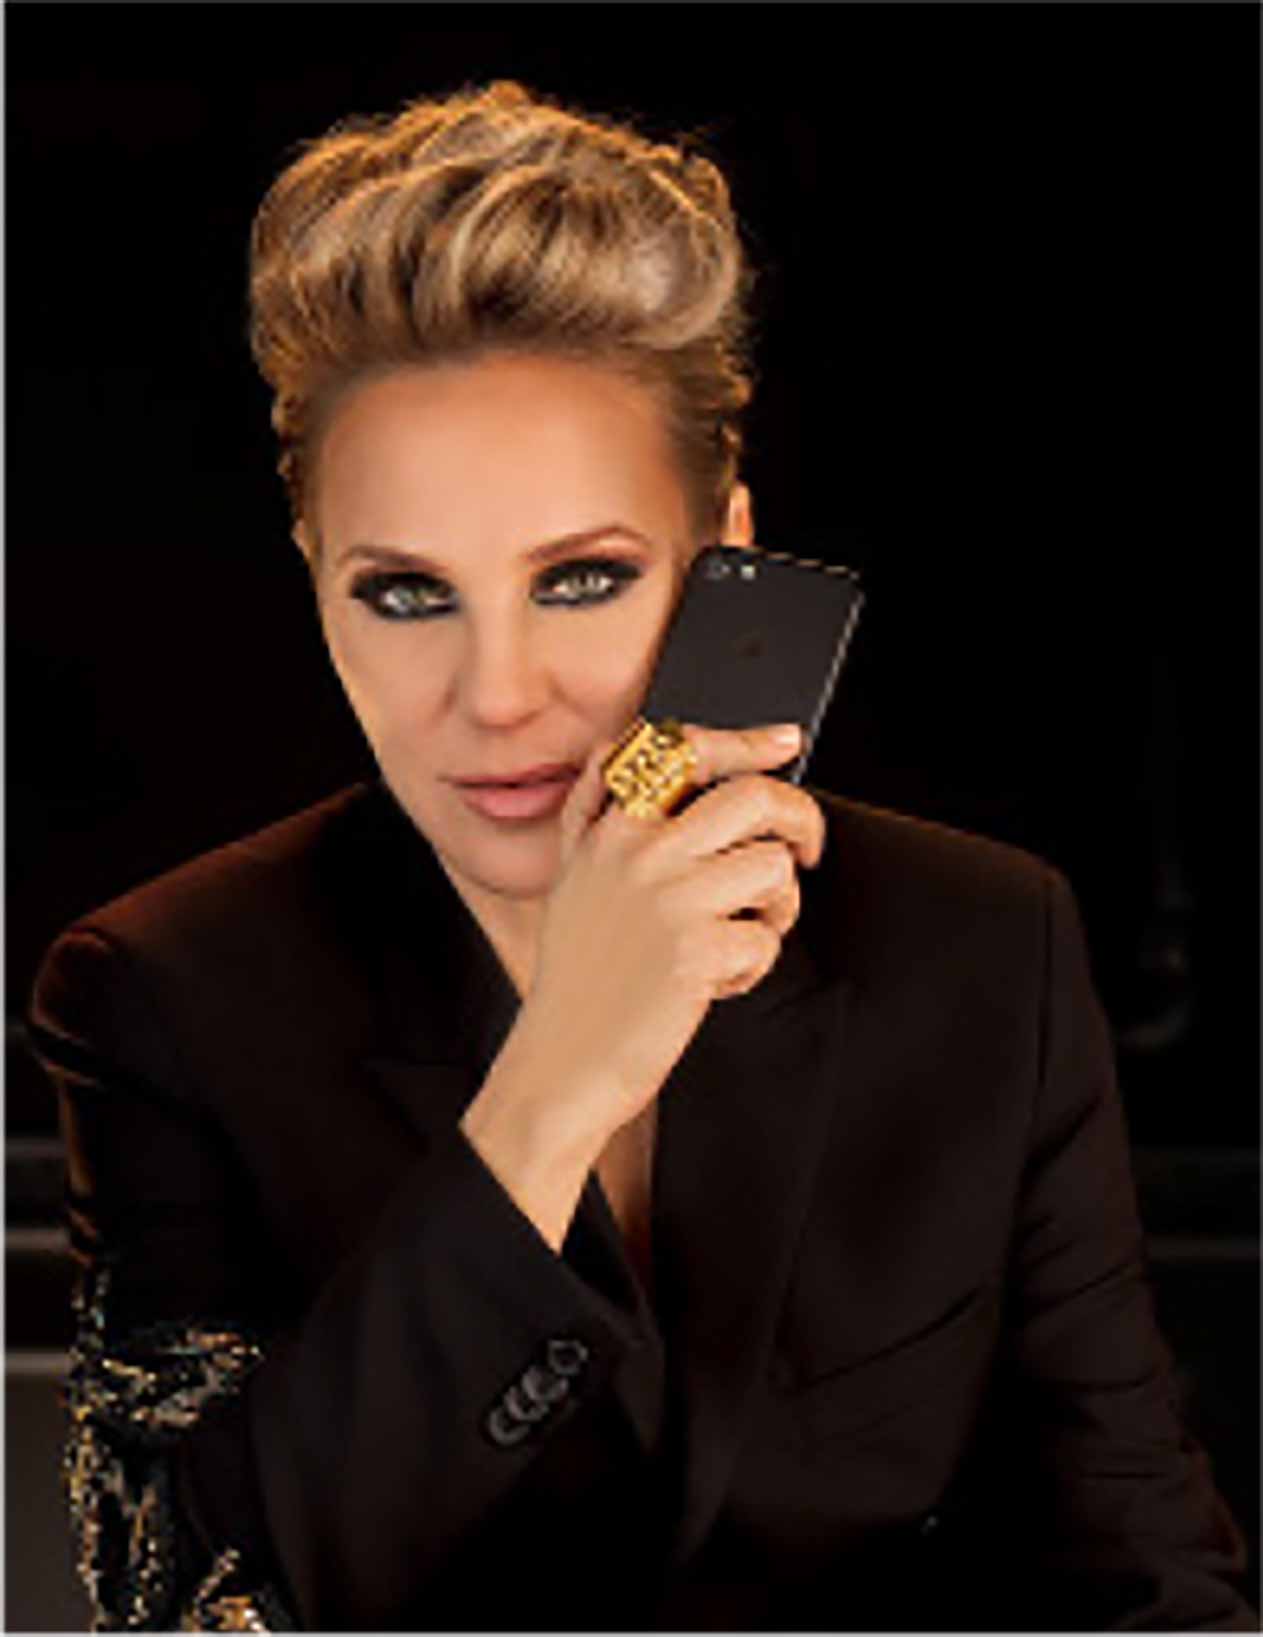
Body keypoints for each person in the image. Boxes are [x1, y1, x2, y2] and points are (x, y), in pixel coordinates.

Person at [26, 80, 1254, 1633]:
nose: (497, 695)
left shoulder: (981, 946)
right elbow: (177, 1608)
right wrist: (554, 1088)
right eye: (406, 594)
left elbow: (1150, 1580)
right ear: (316, 585)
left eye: (583, 580)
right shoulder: (159, 995)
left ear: (721, 558)